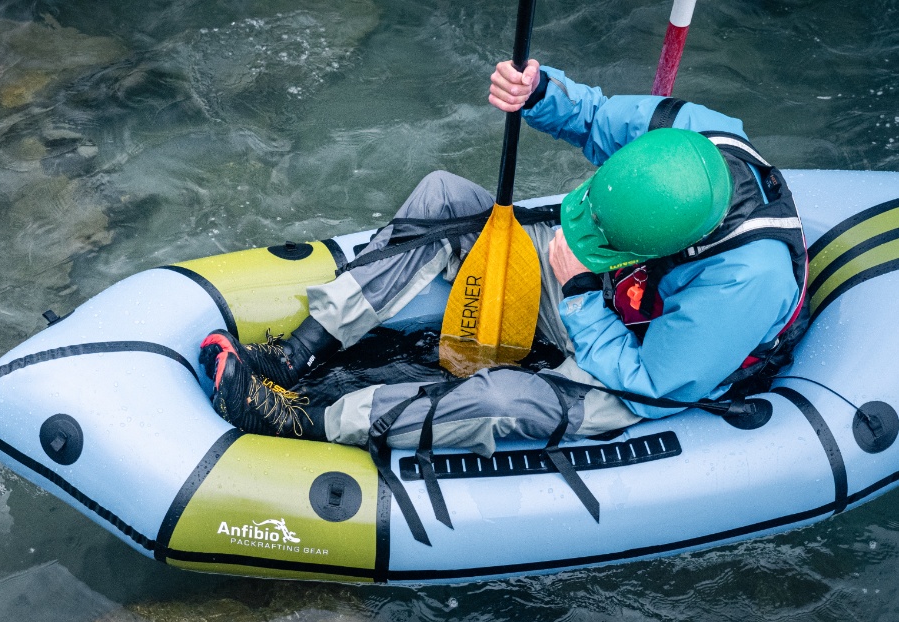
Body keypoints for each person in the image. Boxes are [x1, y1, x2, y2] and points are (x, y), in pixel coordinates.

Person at [199, 59, 808, 456]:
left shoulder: (746, 280)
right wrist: (539, 93)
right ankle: (298, 352)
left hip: (647, 362)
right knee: (445, 197)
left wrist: (577, 297)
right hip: (608, 290)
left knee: (502, 403)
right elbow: (594, 117)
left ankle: (311, 423)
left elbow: (657, 381)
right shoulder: (686, 133)